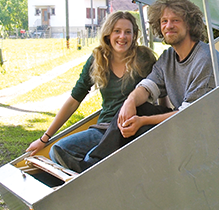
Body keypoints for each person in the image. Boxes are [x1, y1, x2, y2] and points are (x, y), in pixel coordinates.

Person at [66, 0, 219, 172]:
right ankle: (93, 162)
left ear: (189, 24)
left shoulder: (205, 59)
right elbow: (148, 86)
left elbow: (190, 114)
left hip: (205, 132)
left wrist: (142, 120)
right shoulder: (168, 57)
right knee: (135, 107)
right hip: (183, 122)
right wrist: (129, 102)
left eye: (175, 20)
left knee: (142, 131)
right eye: (164, 21)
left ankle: (99, 171)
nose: (168, 26)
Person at [25, 11, 156, 170]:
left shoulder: (143, 57)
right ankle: (90, 173)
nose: (122, 36)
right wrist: (44, 138)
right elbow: (74, 100)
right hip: (104, 128)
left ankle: (91, 171)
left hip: (133, 127)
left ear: (134, 35)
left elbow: (160, 88)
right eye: (117, 31)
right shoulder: (98, 58)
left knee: (90, 160)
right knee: (58, 150)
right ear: (108, 34)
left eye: (128, 32)